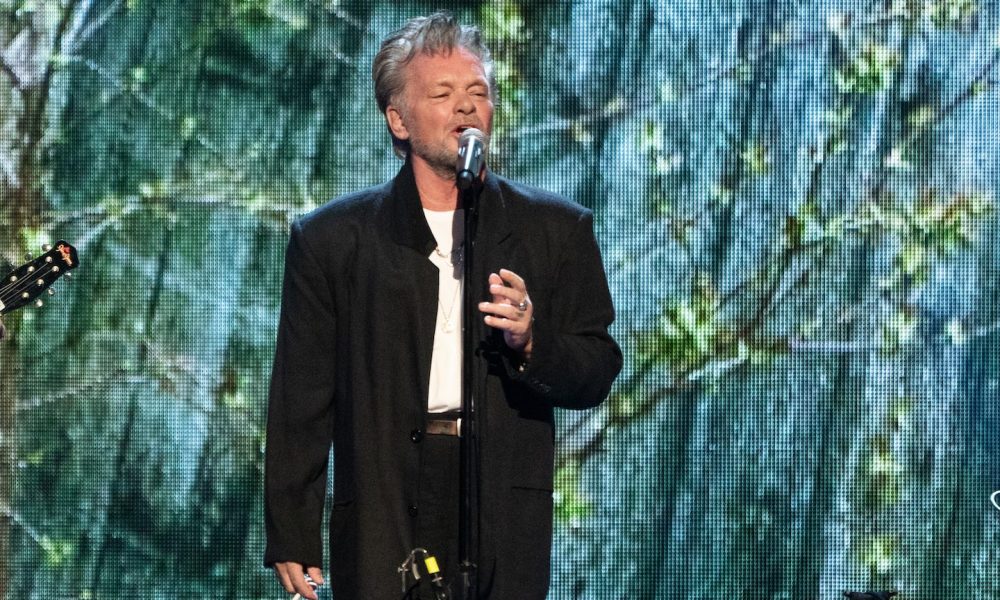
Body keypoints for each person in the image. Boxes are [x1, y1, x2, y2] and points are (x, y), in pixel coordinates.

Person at [264, 11, 621, 600]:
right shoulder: (333, 240)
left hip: (498, 492)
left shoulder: (555, 230)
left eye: (477, 92)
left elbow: (596, 368)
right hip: (383, 488)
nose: (465, 107)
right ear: (398, 119)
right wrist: (293, 531)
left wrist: (532, 342)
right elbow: (301, 399)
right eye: (443, 93)